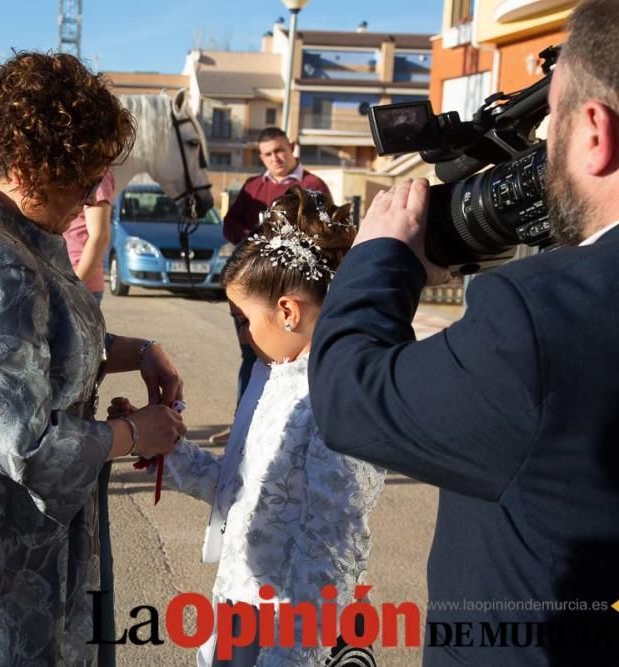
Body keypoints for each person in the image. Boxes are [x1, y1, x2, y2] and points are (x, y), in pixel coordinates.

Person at [308, 2, 619, 664]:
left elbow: (348, 397)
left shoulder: (538, 322)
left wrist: (380, 259)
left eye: (551, 126)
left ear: (595, 130)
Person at [0, 52, 187, 667]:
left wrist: (138, 351)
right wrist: (135, 433)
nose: (88, 199)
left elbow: (33, 349)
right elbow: (28, 446)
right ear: (29, 166)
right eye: (80, 180)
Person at [112, 187, 383, 666]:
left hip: (287, 627)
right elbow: (240, 488)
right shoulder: (273, 377)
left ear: (286, 311)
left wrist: (291, 657)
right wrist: (167, 446)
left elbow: (331, 547)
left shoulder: (338, 395)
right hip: (241, 604)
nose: (241, 333)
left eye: (243, 319)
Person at [213, 128, 332, 444]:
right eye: (267, 154)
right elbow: (230, 224)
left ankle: (294, 431)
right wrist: (256, 242)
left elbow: (322, 230)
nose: (275, 158)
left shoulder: (312, 186)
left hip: (293, 293)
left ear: (291, 148)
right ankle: (244, 423)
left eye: (279, 150)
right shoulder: (254, 186)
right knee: (253, 357)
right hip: (254, 292)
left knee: (298, 361)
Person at [64, 170, 116, 304]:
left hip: (80, 282)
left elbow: (100, 236)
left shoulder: (98, 176)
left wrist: (74, 287)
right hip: (67, 279)